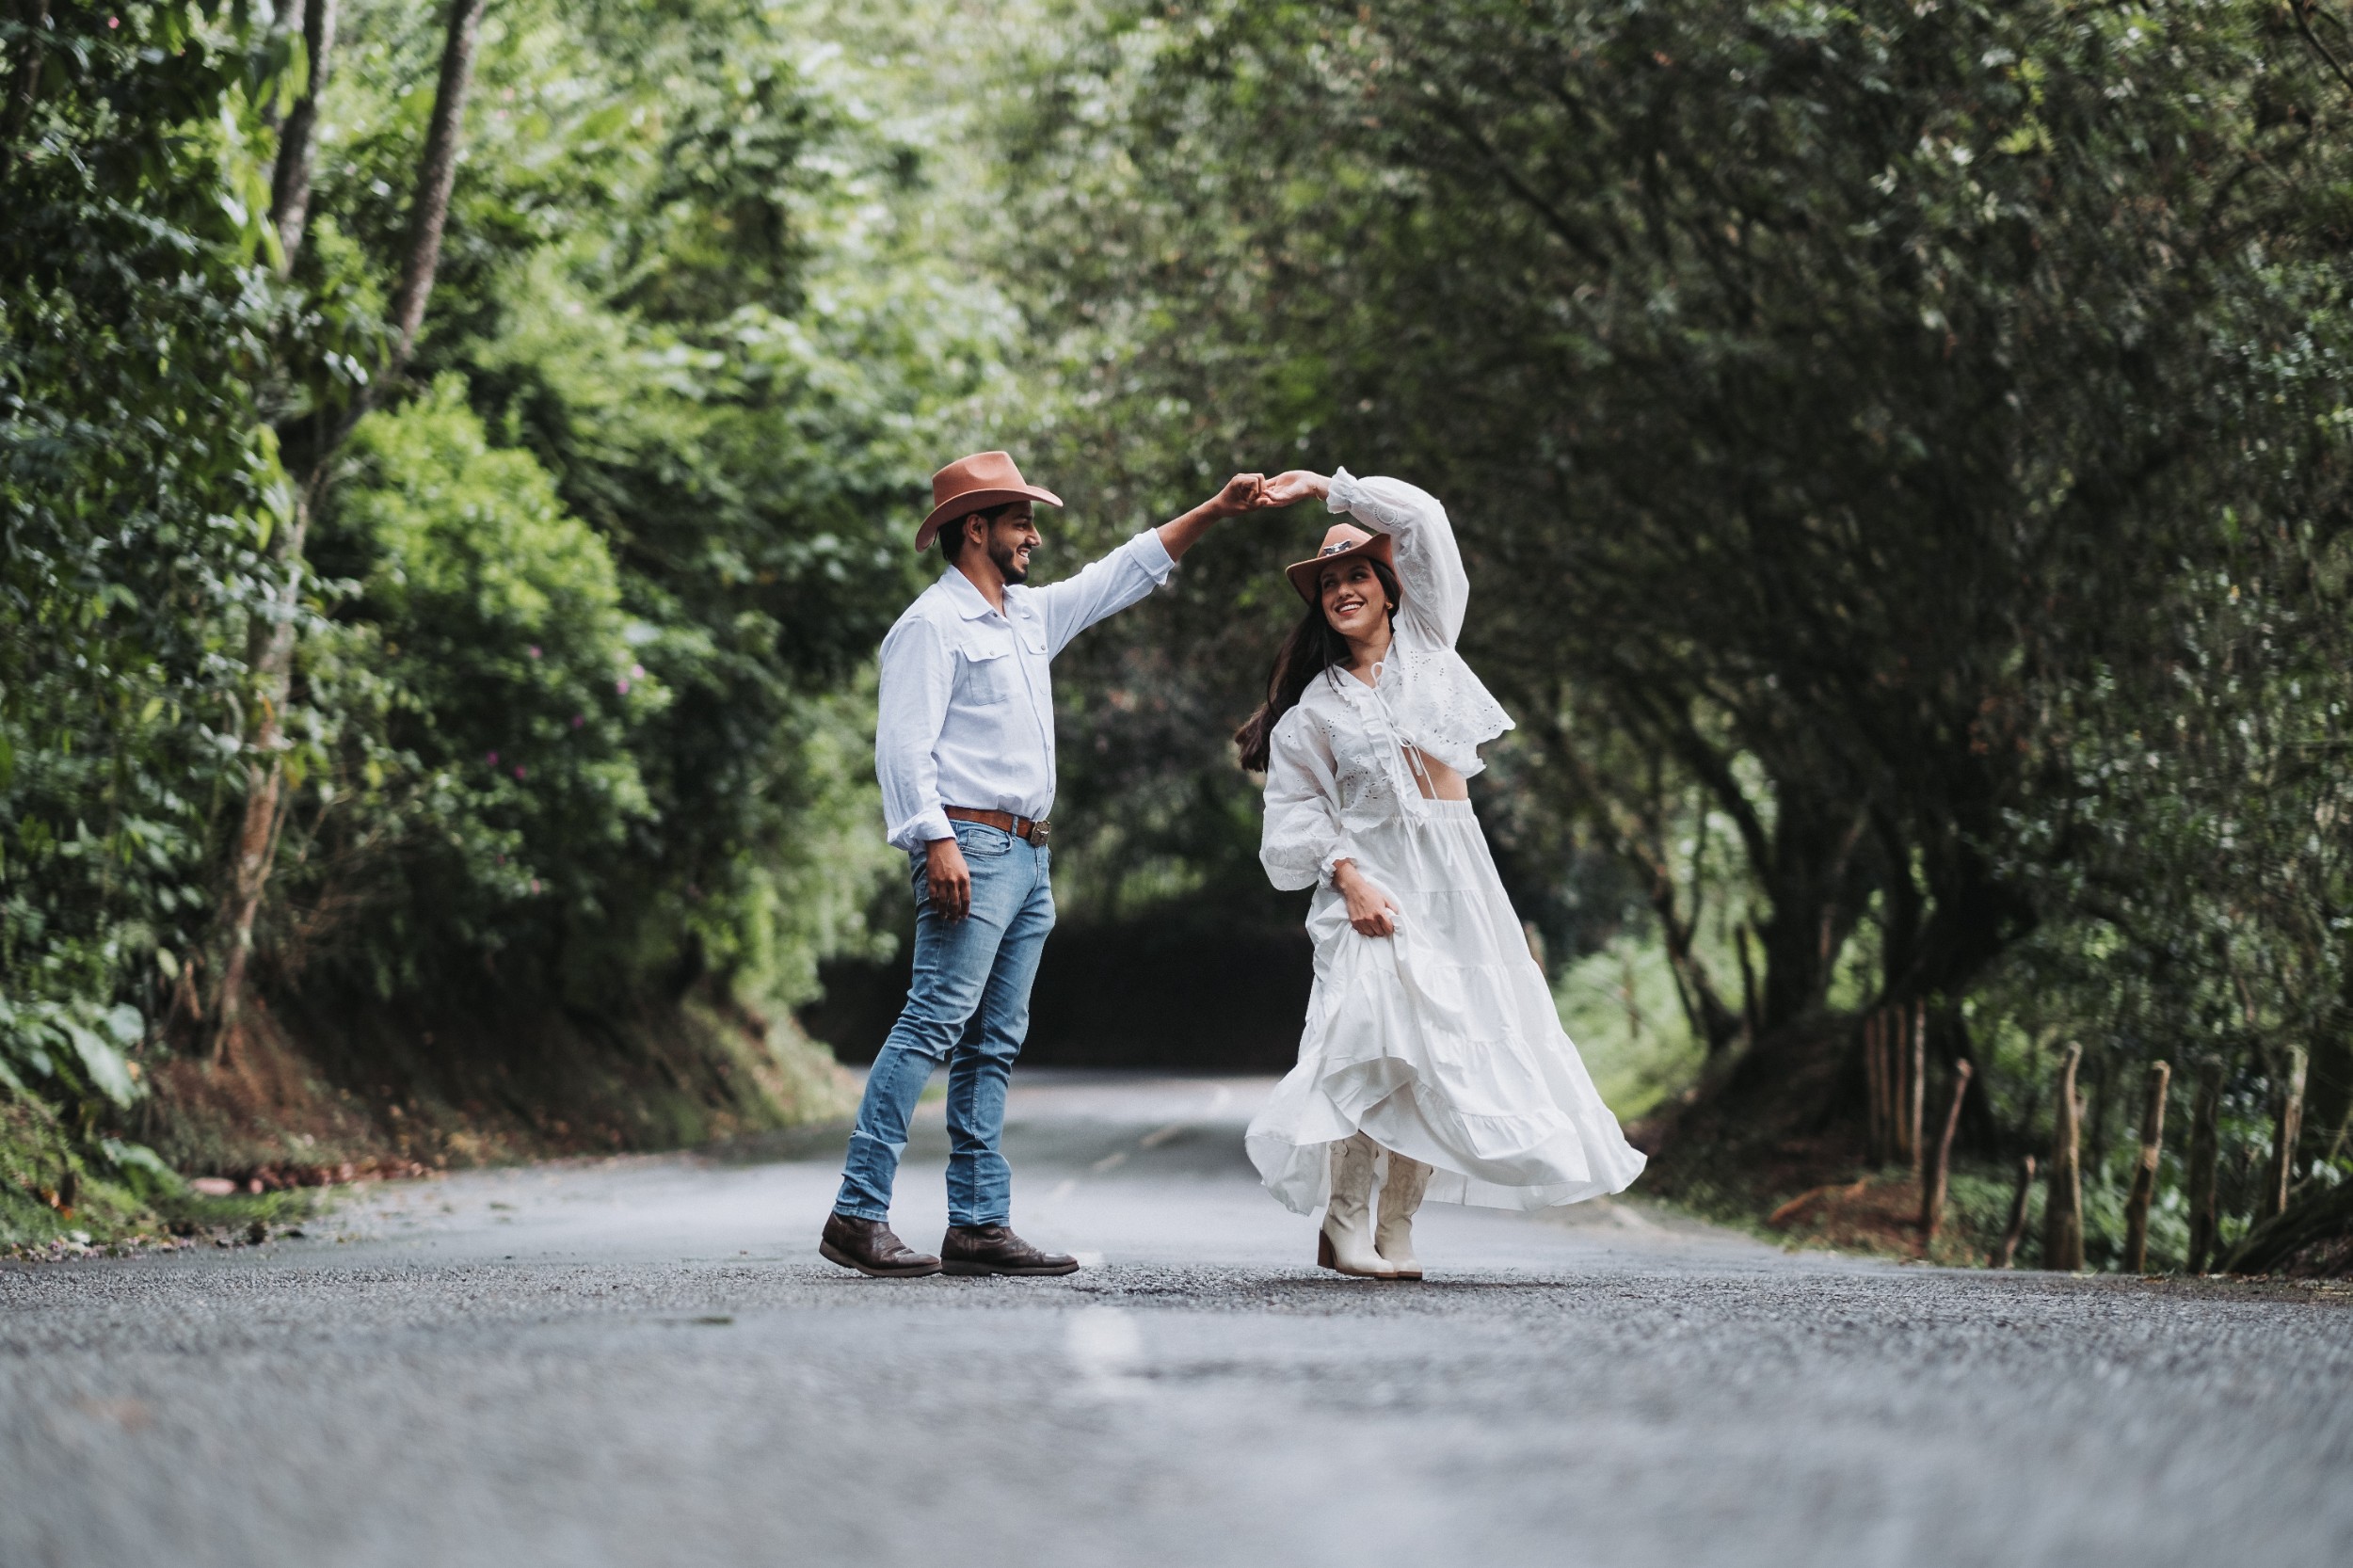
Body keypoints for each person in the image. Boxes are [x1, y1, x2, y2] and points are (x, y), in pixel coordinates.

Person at [821, 450, 1269, 1278]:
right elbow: (902, 747)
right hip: (969, 845)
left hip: (1029, 856)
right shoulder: (931, 625)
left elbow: (1120, 574)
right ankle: (857, 1212)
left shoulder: (1027, 617)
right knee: (932, 1022)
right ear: (975, 529)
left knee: (993, 1043)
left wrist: (1212, 510)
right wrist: (934, 840)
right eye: (1021, 522)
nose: (1034, 537)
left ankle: (978, 1223)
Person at [1233, 468, 1647, 1279]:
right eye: (1329, 584)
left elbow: (1424, 520)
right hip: (1369, 884)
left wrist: (1325, 488)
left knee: (1442, 1052)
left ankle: (1396, 1226)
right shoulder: (1314, 712)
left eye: (1358, 574)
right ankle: (1343, 1222)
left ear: (1391, 591)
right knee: (1371, 1039)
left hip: (1456, 878)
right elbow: (1295, 815)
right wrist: (1348, 877)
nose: (1343, 590)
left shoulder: (1431, 647)